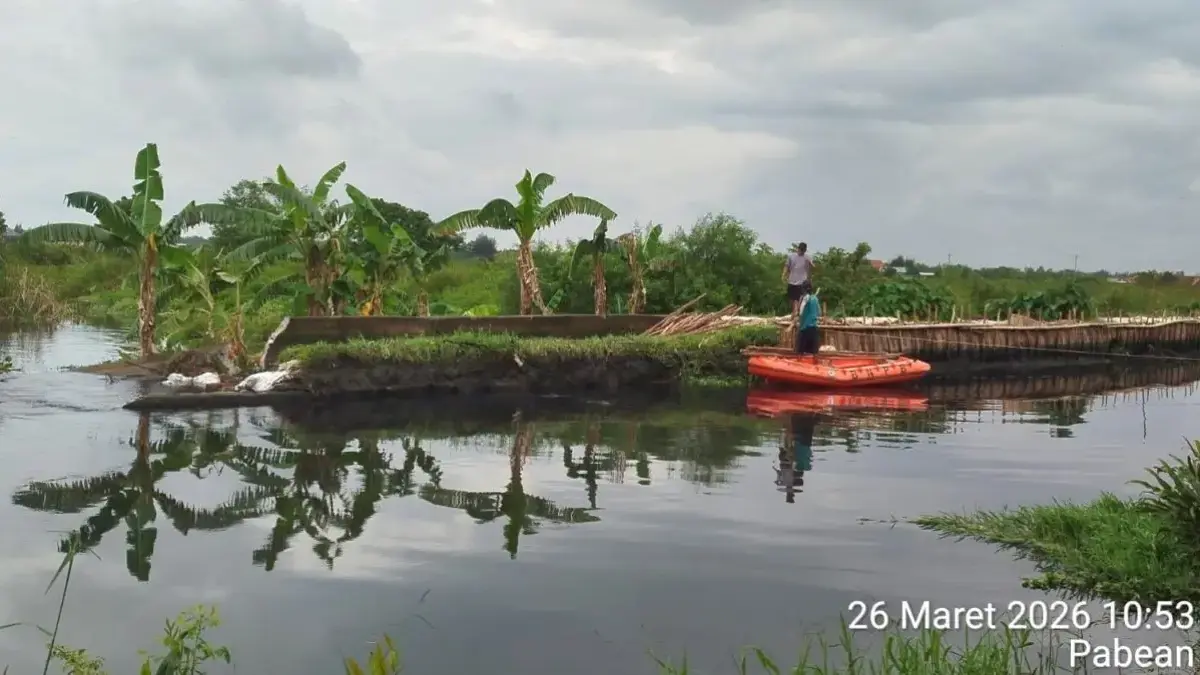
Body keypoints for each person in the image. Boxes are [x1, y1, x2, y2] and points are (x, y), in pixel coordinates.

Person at [782, 242, 814, 322]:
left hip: (802, 282)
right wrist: (783, 275)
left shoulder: (807, 257)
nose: (801, 252)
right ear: (798, 248)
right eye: (800, 250)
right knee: (792, 300)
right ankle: (794, 313)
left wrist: (811, 265)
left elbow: (812, 268)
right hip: (792, 281)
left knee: (800, 300)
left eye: (803, 250)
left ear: (805, 250)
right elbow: (786, 266)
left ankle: (797, 315)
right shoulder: (791, 256)